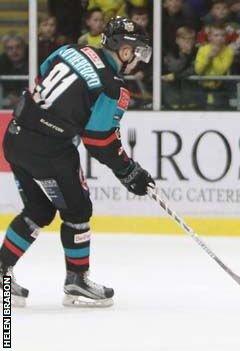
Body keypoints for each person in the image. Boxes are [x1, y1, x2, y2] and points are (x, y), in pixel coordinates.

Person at [0, 17, 154, 308]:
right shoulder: (113, 87)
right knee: (78, 210)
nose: (138, 59)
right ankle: (77, 281)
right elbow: (99, 141)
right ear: (123, 50)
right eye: (137, 51)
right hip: (50, 150)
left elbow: (41, 79)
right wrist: (128, 171)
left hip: (15, 137)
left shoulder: (71, 50)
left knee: (39, 209)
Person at [195, 23, 235, 109]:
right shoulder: (202, 49)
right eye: (216, 35)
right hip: (203, 89)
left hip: (221, 90)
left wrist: (215, 55)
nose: (220, 38)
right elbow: (198, 70)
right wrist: (208, 58)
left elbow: (220, 71)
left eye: (223, 35)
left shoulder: (229, 51)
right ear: (210, 37)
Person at [163, 26, 202, 109]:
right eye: (184, 39)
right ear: (177, 40)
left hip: (193, 97)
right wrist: (184, 55)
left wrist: (175, 76)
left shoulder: (199, 53)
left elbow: (195, 70)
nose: (187, 42)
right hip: (173, 97)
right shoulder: (171, 53)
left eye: (191, 39)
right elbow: (174, 68)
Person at [0, 34, 28, 109]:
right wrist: (7, 95)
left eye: (18, 47)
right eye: (10, 48)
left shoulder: (33, 64)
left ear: (24, 48)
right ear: (5, 50)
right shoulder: (2, 65)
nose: (14, 51)